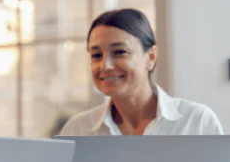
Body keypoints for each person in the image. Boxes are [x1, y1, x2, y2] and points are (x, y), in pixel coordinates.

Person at [59, 8, 223, 136]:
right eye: (96, 55)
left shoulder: (196, 122)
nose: (105, 66)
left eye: (119, 52)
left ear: (151, 57)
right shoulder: (78, 130)